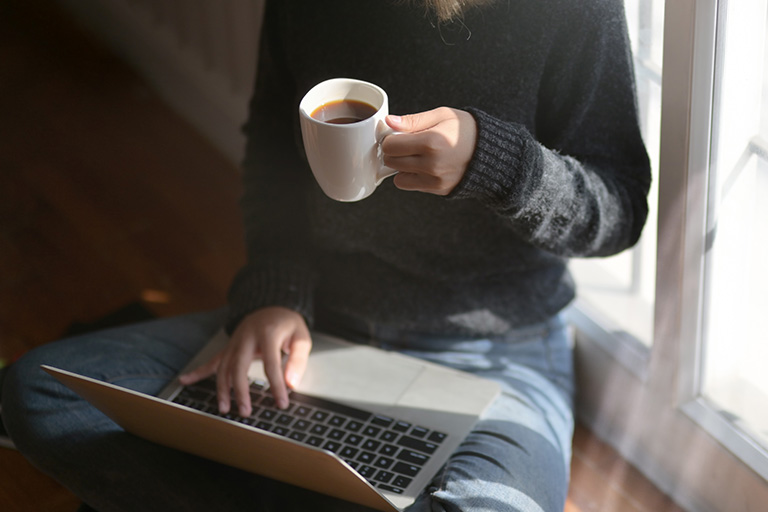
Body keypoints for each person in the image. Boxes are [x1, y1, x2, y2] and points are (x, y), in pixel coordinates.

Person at [1, 0, 651, 510]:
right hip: (318, 325)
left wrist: (501, 162)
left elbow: (618, 212)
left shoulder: (575, 8)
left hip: (495, 351)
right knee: (40, 394)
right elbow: (276, 152)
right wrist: (277, 291)